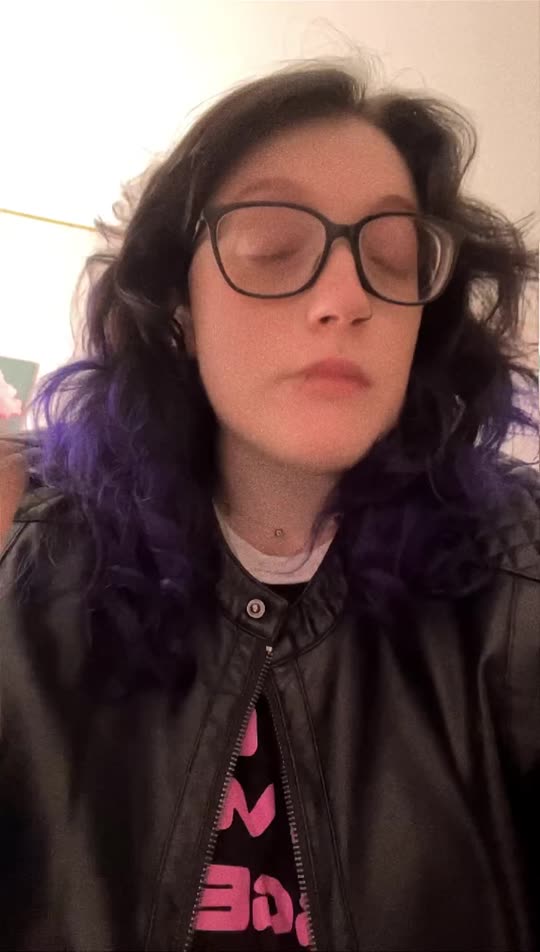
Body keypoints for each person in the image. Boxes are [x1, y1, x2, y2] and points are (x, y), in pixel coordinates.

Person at [0, 54, 539, 952]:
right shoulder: (26, 568)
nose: (347, 297)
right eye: (272, 248)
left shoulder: (516, 587)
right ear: (178, 306)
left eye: (391, 258)